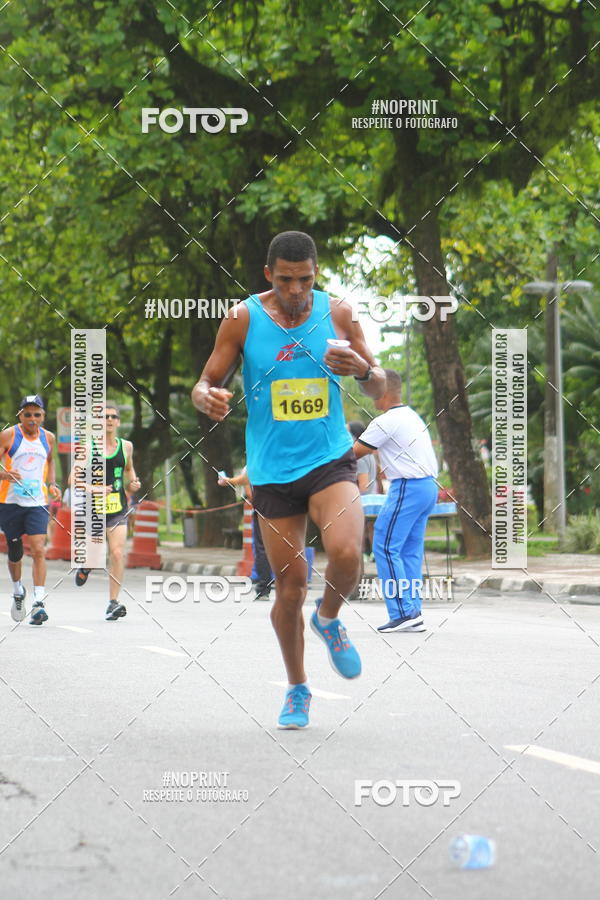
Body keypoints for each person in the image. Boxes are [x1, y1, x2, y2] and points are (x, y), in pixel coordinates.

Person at [192, 231, 385, 728]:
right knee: (290, 587)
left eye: (304, 280)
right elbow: (207, 379)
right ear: (268, 276)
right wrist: (203, 396)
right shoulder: (242, 318)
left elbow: (382, 383)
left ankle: (329, 619)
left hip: (329, 457)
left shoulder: (339, 312)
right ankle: (298, 688)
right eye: (285, 280)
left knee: (346, 553)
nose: (296, 290)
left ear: (315, 274)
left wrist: (362, 368)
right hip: (272, 470)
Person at [352, 370, 438, 633]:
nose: (368, 393)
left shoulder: (386, 421)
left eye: (371, 387)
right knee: (409, 551)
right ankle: (412, 611)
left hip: (407, 487)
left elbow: (352, 454)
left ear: (384, 390)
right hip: (427, 487)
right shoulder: (411, 415)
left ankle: (402, 612)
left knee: (386, 546)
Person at [71, 405, 140, 621]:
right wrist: (93, 488)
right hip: (93, 511)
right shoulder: (88, 448)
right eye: (104, 417)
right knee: (95, 555)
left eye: (113, 417)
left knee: (118, 553)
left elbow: (128, 469)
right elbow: (73, 479)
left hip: (118, 509)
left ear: (118, 422)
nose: (109, 420)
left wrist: (133, 482)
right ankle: (86, 567)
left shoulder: (126, 446)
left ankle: (113, 602)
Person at [0, 395, 61, 625]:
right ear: (20, 416)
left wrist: (53, 484)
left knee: (38, 549)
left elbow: (51, 461)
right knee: (15, 552)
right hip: (10, 503)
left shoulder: (49, 438)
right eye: (28, 414)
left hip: (38, 503)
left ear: (43, 416)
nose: (33, 419)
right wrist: (5, 474)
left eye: (37, 414)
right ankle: (18, 591)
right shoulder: (9, 435)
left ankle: (38, 601)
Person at [218, 467, 273, 601]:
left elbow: (249, 488)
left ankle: (264, 589)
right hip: (289, 506)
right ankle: (291, 586)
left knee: (262, 548)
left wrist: (229, 480)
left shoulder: (257, 455)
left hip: (265, 508)